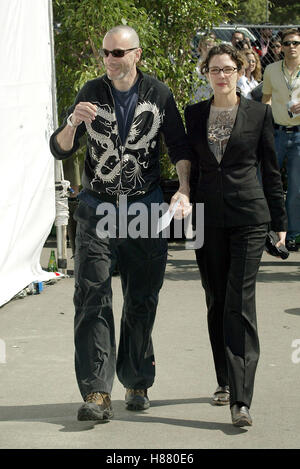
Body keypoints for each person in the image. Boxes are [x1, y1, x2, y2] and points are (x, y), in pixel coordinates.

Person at [49, 25, 191, 421]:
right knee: (92, 294)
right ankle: (97, 392)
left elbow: (178, 145)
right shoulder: (90, 92)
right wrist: (73, 123)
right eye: (106, 53)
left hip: (144, 208)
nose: (110, 59)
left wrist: (183, 188)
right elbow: (59, 149)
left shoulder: (159, 94)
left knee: (142, 298)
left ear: (137, 55)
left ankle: (136, 379)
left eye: (118, 52)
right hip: (96, 208)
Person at [185, 43, 287, 427]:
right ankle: (224, 381)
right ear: (206, 73)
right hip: (204, 218)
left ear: (240, 71)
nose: (222, 75)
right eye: (215, 69)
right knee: (215, 299)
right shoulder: (194, 115)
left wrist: (279, 222)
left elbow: (271, 169)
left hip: (249, 216)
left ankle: (241, 401)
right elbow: (189, 167)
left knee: (239, 302)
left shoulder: (258, 113)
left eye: (228, 69)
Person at [262, 28, 300, 252]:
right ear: (282, 47)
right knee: (269, 185)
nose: (292, 47)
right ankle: (270, 232)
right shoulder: (271, 69)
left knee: (296, 189)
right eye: (287, 43)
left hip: (298, 135)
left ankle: (293, 234)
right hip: (275, 133)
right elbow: (265, 100)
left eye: (296, 43)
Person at [190, 33, 216, 103]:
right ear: (200, 45)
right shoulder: (193, 60)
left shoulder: (216, 62)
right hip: (194, 96)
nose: (207, 47)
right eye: (205, 44)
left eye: (210, 45)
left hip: (209, 96)